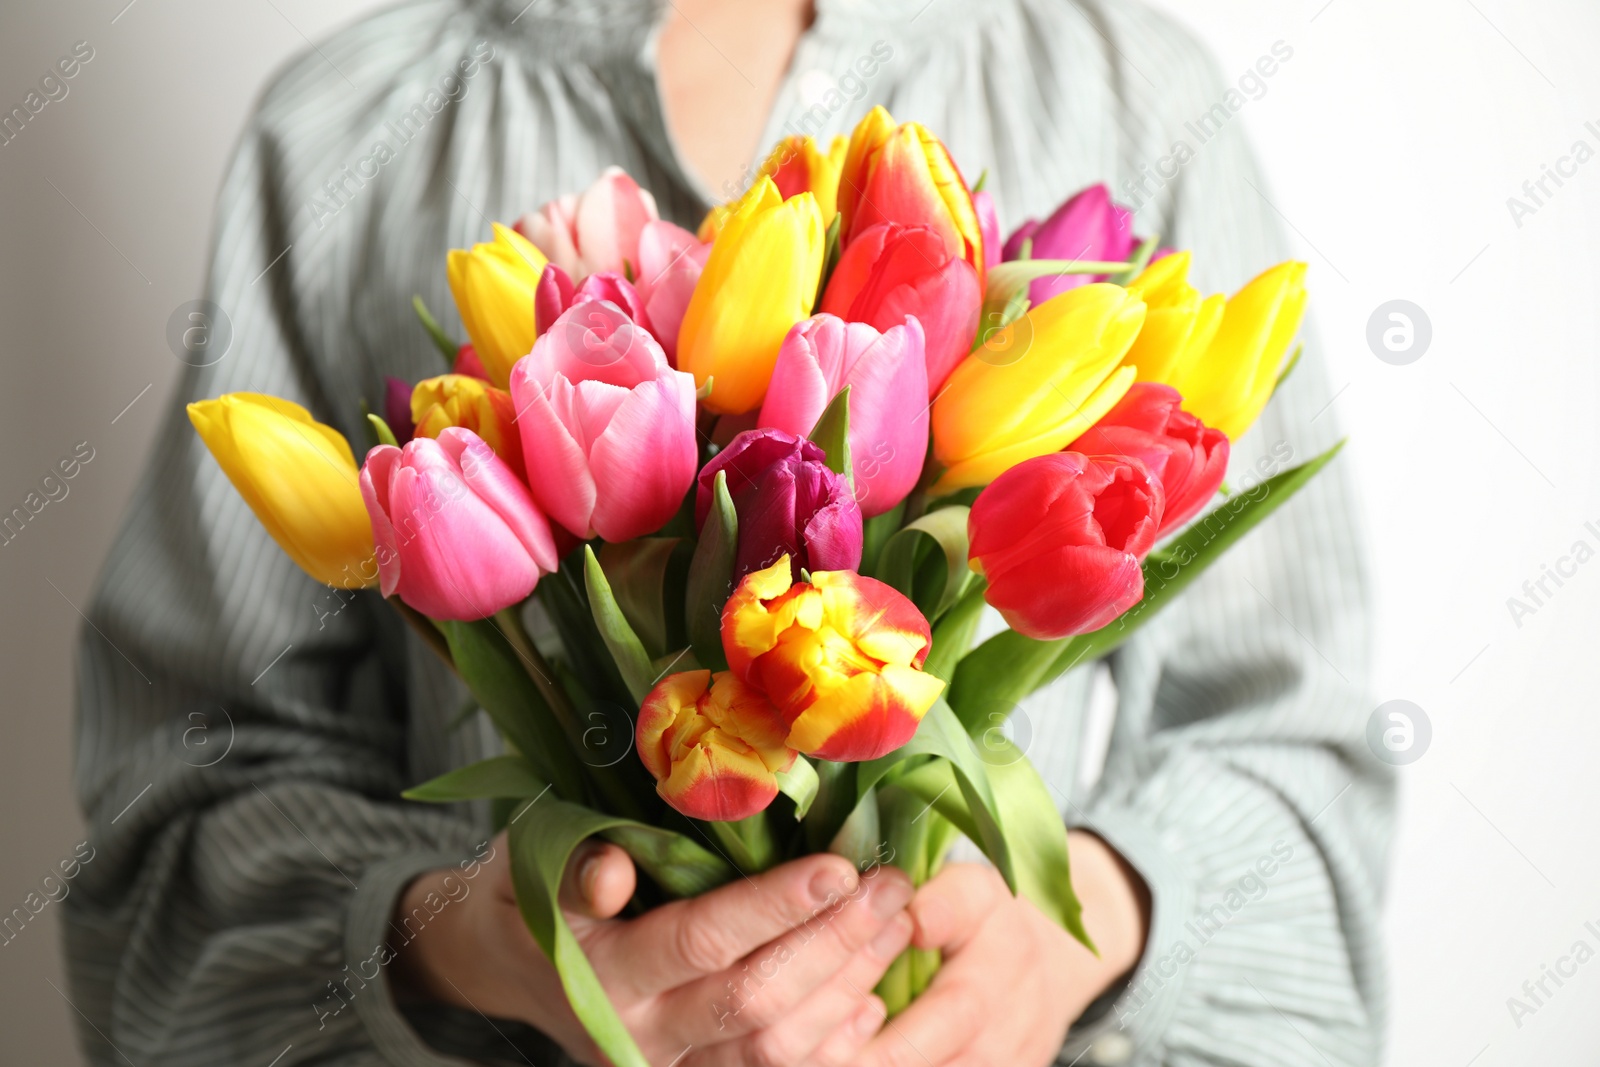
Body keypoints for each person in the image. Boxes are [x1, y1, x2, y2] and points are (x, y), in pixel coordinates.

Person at [64, 1, 1391, 1064]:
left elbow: (1298, 754)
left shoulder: (1139, 96)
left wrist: (1065, 941)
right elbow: (171, 827)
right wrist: (470, 944)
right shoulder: (345, 130)